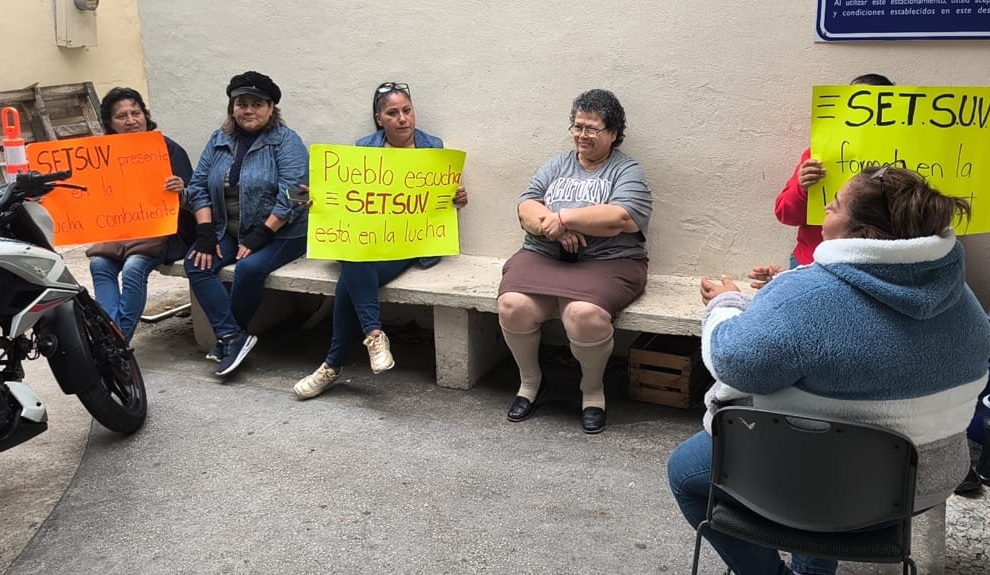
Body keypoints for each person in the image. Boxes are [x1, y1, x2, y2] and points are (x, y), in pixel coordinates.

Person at [669, 166, 990, 575]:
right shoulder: (963, 301)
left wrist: (726, 304)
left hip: (813, 486)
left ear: (863, 234)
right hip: (917, 490)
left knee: (685, 473)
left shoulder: (805, 299)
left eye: (835, 205)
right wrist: (791, 287)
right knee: (830, 434)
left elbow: (734, 360)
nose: (825, 209)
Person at [293, 82, 468, 399]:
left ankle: (333, 365)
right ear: (379, 119)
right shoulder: (364, 148)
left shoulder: (433, 147)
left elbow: (438, 200)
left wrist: (455, 198)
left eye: (407, 110)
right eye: (393, 113)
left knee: (350, 274)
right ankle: (373, 335)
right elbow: (349, 197)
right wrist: (320, 200)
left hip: (410, 242)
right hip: (368, 240)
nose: (402, 119)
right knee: (353, 256)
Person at [497, 89, 652, 434]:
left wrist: (565, 218)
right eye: (577, 126)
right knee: (512, 305)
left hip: (608, 261)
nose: (582, 135)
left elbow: (621, 218)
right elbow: (526, 206)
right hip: (545, 255)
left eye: (592, 128)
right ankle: (531, 382)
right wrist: (552, 229)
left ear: (613, 133)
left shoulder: (627, 171)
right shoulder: (557, 164)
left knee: (583, 315)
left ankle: (592, 391)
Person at [184, 71, 309, 377]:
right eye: (241, 104)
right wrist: (204, 231)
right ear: (232, 108)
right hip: (230, 228)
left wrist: (263, 233)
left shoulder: (286, 141)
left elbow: (294, 194)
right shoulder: (219, 140)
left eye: (257, 104)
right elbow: (198, 186)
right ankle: (232, 336)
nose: (248, 110)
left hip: (283, 231)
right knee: (197, 263)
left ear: (271, 108)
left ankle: (230, 337)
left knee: (249, 268)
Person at [85, 87, 194, 344]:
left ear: (145, 115)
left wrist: (180, 190)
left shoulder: (167, 149)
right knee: (98, 264)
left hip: (164, 234)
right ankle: (112, 337)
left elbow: (195, 197)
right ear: (110, 123)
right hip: (121, 232)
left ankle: (116, 344)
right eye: (121, 116)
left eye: (136, 113)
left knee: (134, 267)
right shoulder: (103, 155)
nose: (131, 120)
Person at [774, 73, 894, 267]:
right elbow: (785, 214)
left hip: (875, 264)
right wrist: (803, 188)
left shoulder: (902, 162)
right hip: (813, 260)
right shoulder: (820, 155)